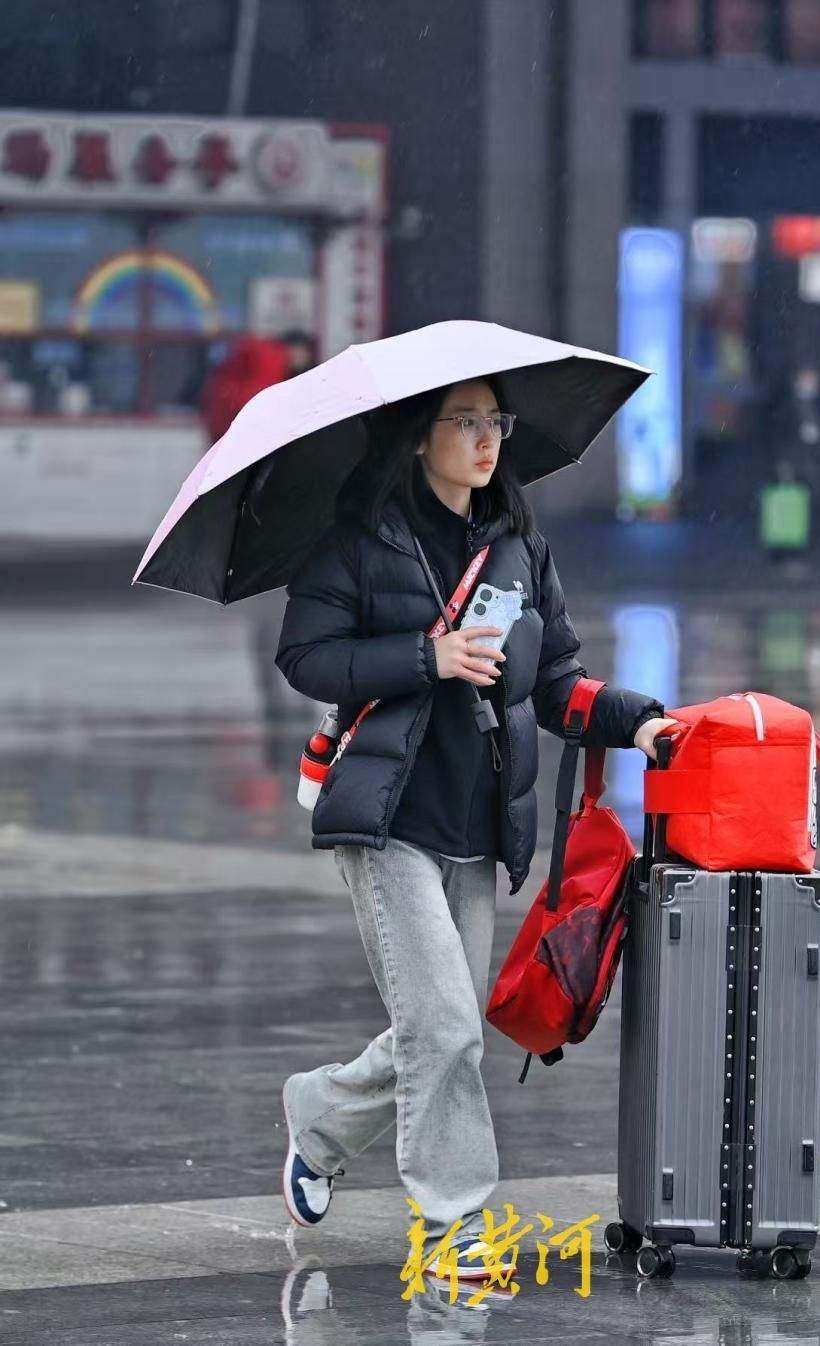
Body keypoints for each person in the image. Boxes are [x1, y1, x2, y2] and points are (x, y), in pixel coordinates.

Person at [273, 375, 676, 1277]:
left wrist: (639, 721)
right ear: (420, 436)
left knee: (438, 1026)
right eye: (464, 421)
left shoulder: (519, 547)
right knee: (447, 1025)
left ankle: (322, 1117)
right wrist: (429, 656)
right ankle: (451, 1223)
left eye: (496, 421)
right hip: (387, 819)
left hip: (477, 821)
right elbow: (305, 656)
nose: (487, 439)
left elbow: (556, 680)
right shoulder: (360, 538)